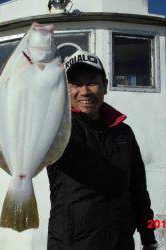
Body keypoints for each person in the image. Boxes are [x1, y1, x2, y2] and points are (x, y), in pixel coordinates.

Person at [47, 50, 158, 250]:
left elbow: (138, 190)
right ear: (65, 89)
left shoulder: (124, 133)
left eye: (91, 82)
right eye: (76, 84)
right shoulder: (57, 128)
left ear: (105, 86)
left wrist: (148, 237)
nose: (85, 91)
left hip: (122, 243)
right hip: (70, 245)